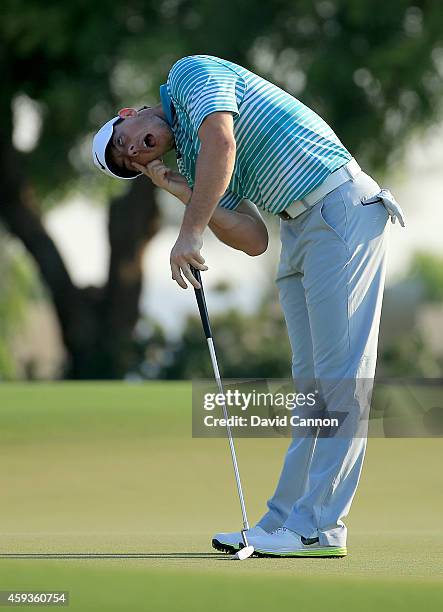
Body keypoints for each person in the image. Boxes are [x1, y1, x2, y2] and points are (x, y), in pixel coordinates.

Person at [92, 54, 405, 558]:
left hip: (340, 208)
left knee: (340, 379)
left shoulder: (189, 75)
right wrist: (178, 187)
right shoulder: (194, 164)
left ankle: (319, 529)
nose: (131, 154)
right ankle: (282, 521)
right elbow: (254, 237)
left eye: (121, 143)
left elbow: (223, 141)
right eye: (128, 164)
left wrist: (189, 232)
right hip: (299, 229)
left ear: (130, 113)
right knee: (313, 386)